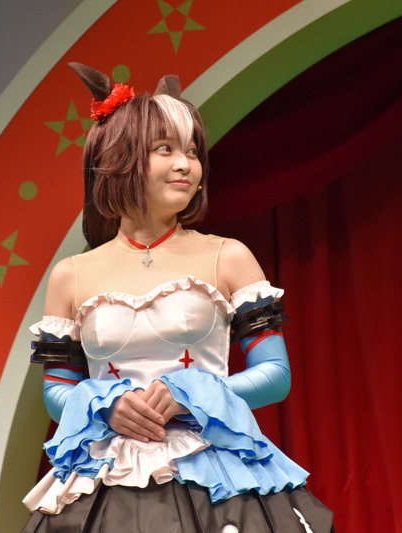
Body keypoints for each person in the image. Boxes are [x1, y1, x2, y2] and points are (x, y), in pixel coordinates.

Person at [21, 62, 334, 533]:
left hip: (217, 470)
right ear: (120, 159)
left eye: (191, 150)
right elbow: (55, 393)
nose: (186, 164)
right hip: (106, 475)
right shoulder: (71, 275)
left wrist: (192, 393)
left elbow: (275, 375)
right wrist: (105, 404)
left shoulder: (228, 257)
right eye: (164, 149)